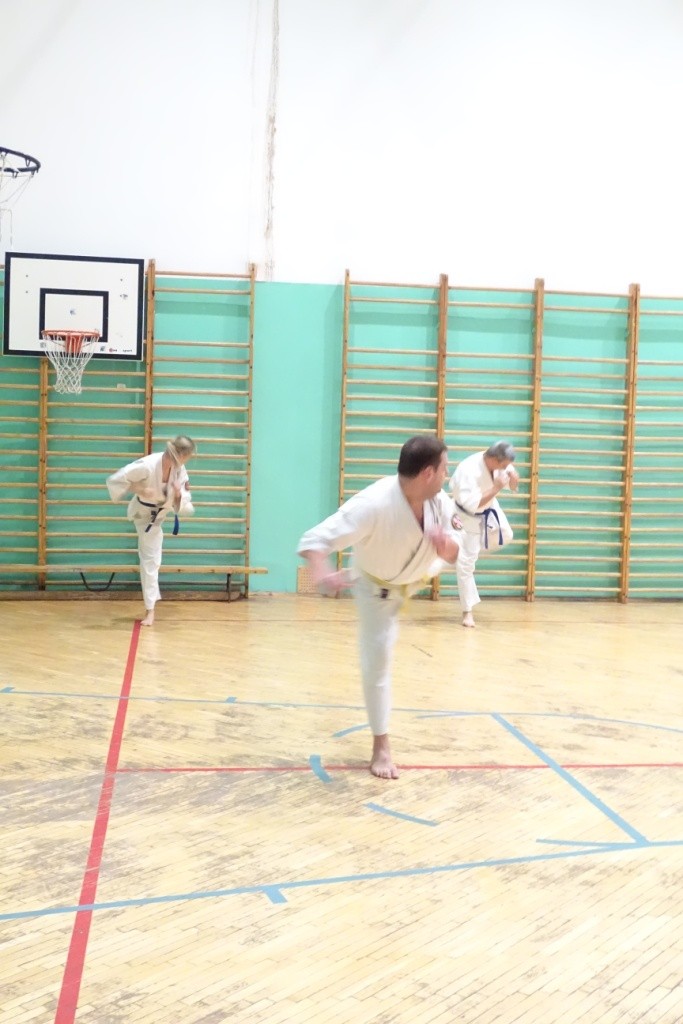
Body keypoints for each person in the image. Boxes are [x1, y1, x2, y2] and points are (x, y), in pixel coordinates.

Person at [298, 434, 460, 781]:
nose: (448, 475)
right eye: (445, 469)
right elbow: (314, 540)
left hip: (418, 573)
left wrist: (445, 545)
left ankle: (354, 572)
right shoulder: (373, 504)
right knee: (378, 661)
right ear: (428, 473)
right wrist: (321, 574)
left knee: (466, 552)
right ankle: (381, 746)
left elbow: (454, 553)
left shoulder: (439, 503)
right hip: (379, 592)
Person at [106, 435, 197, 626]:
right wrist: (140, 489)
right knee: (151, 561)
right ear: (180, 455)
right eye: (187, 457)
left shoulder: (179, 469)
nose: (186, 462)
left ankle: (150, 608)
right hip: (144, 515)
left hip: (162, 511)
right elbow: (116, 479)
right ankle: (150, 610)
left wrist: (178, 495)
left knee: (187, 509)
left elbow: (184, 499)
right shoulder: (147, 465)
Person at [449, 440, 518, 628]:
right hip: (465, 516)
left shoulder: (500, 462)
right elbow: (472, 504)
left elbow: (513, 485)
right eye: (504, 465)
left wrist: (513, 480)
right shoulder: (467, 471)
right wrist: (496, 488)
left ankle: (469, 551)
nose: (506, 468)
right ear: (494, 460)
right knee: (465, 565)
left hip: (489, 509)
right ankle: (467, 611)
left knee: (507, 535)